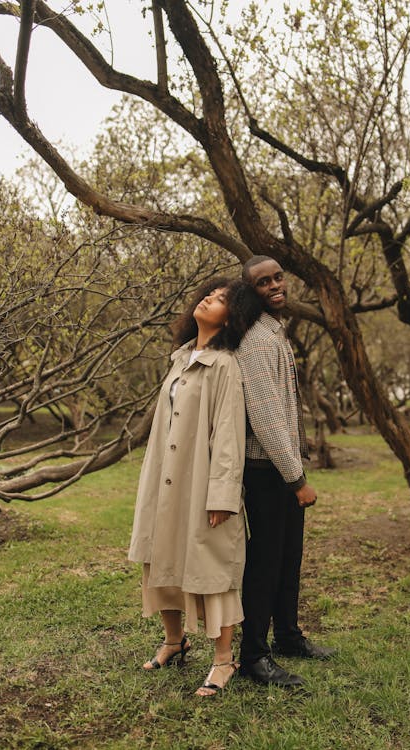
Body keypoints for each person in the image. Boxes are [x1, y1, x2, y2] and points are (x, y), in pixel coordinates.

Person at [128, 276, 261, 697]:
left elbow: (227, 435)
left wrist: (221, 494)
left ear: (230, 318)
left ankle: (224, 661)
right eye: (209, 293)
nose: (209, 298)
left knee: (211, 567)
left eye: (221, 299)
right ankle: (174, 641)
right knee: (162, 555)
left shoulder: (225, 365)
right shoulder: (181, 357)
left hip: (200, 479)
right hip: (164, 476)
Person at [236, 255, 335, 688]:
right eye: (263, 282)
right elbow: (266, 416)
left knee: (288, 559)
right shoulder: (257, 341)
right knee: (264, 564)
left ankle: (289, 637)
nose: (275, 285)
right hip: (267, 471)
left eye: (278, 277)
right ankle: (254, 657)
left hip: (282, 468)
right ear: (250, 291)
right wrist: (296, 479)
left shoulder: (275, 331)